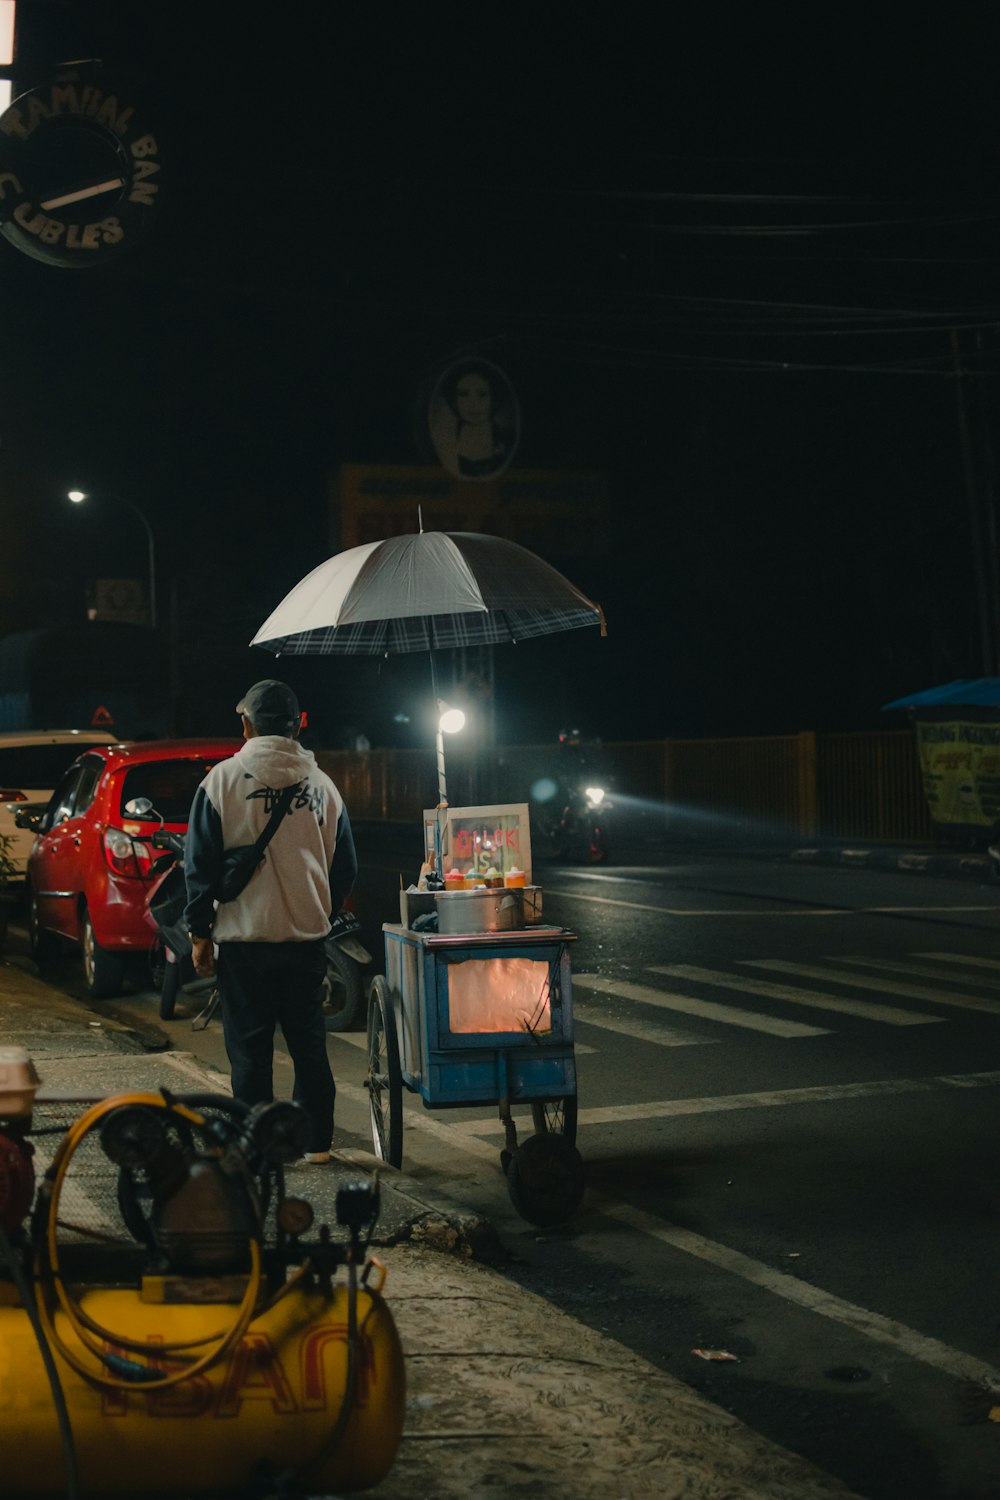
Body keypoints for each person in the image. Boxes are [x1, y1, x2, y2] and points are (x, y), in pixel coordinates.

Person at [183, 679, 358, 1164]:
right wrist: (320, 908)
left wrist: (200, 936)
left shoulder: (219, 783)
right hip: (305, 942)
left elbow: (198, 868)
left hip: (244, 942)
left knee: (250, 1053)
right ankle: (317, 1144)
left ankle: (255, 1145)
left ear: (246, 724)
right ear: (298, 725)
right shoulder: (323, 786)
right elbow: (345, 867)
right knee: (309, 1047)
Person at [431, 360, 515, 479]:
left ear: (493, 399)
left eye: (482, 394)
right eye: (464, 394)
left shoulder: (505, 439)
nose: (473, 404)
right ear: (455, 401)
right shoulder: (444, 439)